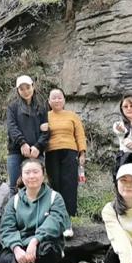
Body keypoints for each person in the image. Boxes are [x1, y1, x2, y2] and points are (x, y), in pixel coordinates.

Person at [0, 158, 70, 263]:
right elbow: (7, 228)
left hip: (42, 245)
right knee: (3, 262)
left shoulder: (54, 197)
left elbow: (55, 222)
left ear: (43, 175)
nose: (31, 176)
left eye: (35, 172)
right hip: (22, 248)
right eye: (27, 172)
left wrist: (35, 241)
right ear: (22, 176)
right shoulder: (15, 201)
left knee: (49, 250)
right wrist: (17, 248)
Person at [46, 88, 86, 230]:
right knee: (55, 185)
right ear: (49, 101)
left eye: (59, 97)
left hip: (70, 152)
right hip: (51, 153)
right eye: (54, 98)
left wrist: (82, 153)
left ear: (64, 100)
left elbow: (80, 135)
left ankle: (68, 220)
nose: (57, 100)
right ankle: (56, 218)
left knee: (69, 185)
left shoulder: (72, 116)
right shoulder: (45, 116)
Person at [6, 75, 49, 195]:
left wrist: (38, 146)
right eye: (22, 89)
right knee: (14, 187)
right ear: (18, 90)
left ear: (33, 87)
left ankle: (37, 213)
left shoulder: (42, 106)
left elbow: (46, 130)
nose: (25, 91)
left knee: (37, 185)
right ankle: (13, 213)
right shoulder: (12, 107)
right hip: (16, 151)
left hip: (36, 152)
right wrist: (22, 143)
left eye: (28, 87)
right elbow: (11, 127)